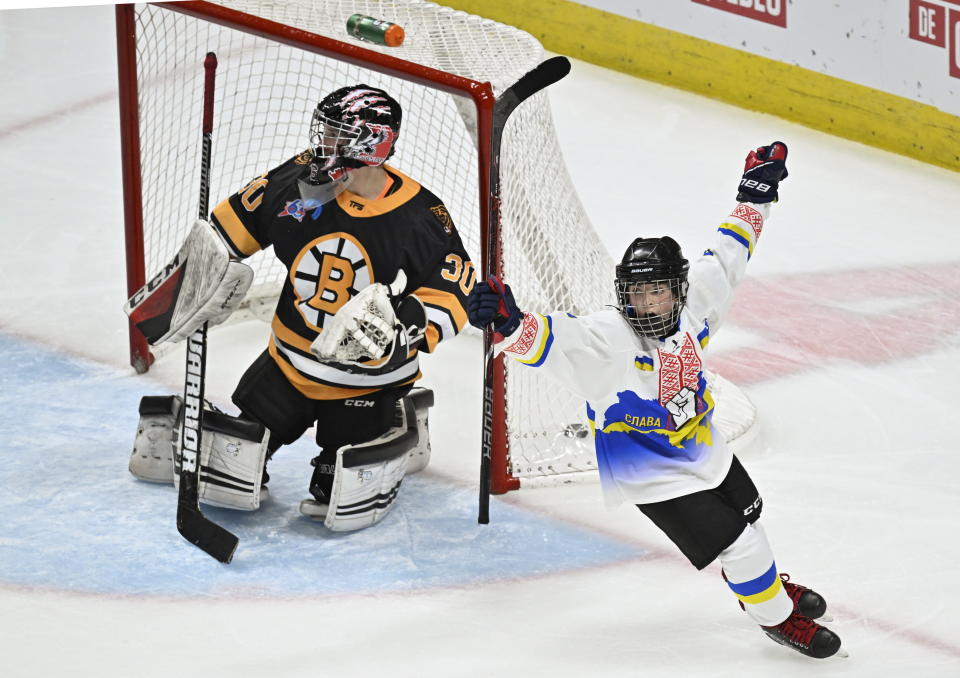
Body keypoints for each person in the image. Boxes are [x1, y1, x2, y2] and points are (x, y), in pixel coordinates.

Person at [466, 142, 843, 659]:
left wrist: (755, 193)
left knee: (749, 516)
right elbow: (552, 341)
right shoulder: (607, 338)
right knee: (739, 542)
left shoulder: (697, 306)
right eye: (634, 293)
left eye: (655, 292)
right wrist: (511, 323)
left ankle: (765, 589)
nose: (642, 304)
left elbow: (730, 251)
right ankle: (776, 618)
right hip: (649, 473)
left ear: (678, 291)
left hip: (702, 446)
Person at [128, 85, 475, 532]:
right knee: (234, 461)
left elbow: (455, 286)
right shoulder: (299, 179)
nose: (322, 142)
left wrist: (407, 328)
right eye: (325, 130)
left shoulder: (419, 214)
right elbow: (235, 223)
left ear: (371, 142)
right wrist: (202, 274)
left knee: (339, 491)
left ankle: (401, 426)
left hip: (363, 382)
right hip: (287, 365)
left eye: (336, 133)